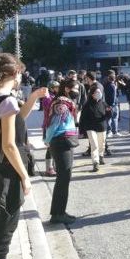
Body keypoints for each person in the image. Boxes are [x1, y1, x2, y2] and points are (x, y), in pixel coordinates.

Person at [0, 53, 47, 259]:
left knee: (5, 215)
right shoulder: (7, 101)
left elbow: (17, 120)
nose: (22, 75)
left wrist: (32, 98)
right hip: (9, 167)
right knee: (8, 218)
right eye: (20, 72)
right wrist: (25, 175)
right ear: (14, 74)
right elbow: (10, 144)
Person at [44, 79, 79, 224]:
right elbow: (54, 124)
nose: (76, 91)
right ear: (66, 89)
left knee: (64, 178)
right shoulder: (61, 103)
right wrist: (48, 140)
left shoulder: (66, 101)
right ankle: (58, 214)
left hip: (63, 141)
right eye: (74, 89)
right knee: (63, 178)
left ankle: (59, 212)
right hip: (60, 141)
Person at [79, 88, 110, 172]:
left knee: (102, 144)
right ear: (92, 94)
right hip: (90, 128)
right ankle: (95, 163)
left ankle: (101, 156)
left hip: (101, 126)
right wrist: (81, 130)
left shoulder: (103, 103)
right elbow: (82, 118)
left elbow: (108, 115)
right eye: (96, 92)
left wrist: (109, 111)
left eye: (99, 92)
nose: (98, 94)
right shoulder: (87, 105)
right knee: (94, 145)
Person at [41, 80, 60, 176]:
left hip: (54, 125)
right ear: (52, 88)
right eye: (57, 87)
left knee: (55, 147)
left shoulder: (53, 97)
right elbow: (53, 109)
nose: (58, 89)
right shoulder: (48, 98)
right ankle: (49, 168)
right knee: (50, 147)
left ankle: (55, 166)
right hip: (49, 125)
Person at [103, 70, 120, 138]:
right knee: (114, 117)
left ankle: (108, 131)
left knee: (108, 118)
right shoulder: (113, 85)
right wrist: (112, 105)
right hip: (113, 104)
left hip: (106, 103)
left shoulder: (105, 84)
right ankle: (114, 131)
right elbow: (113, 96)